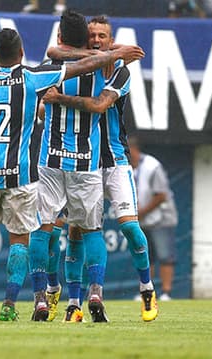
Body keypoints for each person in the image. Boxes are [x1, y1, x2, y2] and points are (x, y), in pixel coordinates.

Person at [0, 27, 144, 321]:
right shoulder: (34, 78)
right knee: (21, 240)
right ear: (20, 53)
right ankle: (8, 303)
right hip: (21, 173)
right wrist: (113, 53)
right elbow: (80, 66)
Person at [43, 15, 160, 322]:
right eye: (91, 35)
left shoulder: (119, 71)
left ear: (111, 39)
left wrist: (113, 55)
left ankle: (146, 288)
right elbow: (54, 52)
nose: (96, 40)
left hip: (116, 159)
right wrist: (109, 52)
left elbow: (99, 105)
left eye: (103, 36)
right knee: (76, 231)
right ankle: (74, 302)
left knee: (129, 227)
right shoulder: (82, 63)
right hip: (85, 160)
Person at [129, 136, 179, 302]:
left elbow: (161, 195)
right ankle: (146, 290)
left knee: (165, 255)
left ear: (135, 149)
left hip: (162, 217)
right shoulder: (128, 168)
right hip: (142, 218)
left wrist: (141, 212)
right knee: (145, 255)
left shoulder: (152, 166)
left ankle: (166, 292)